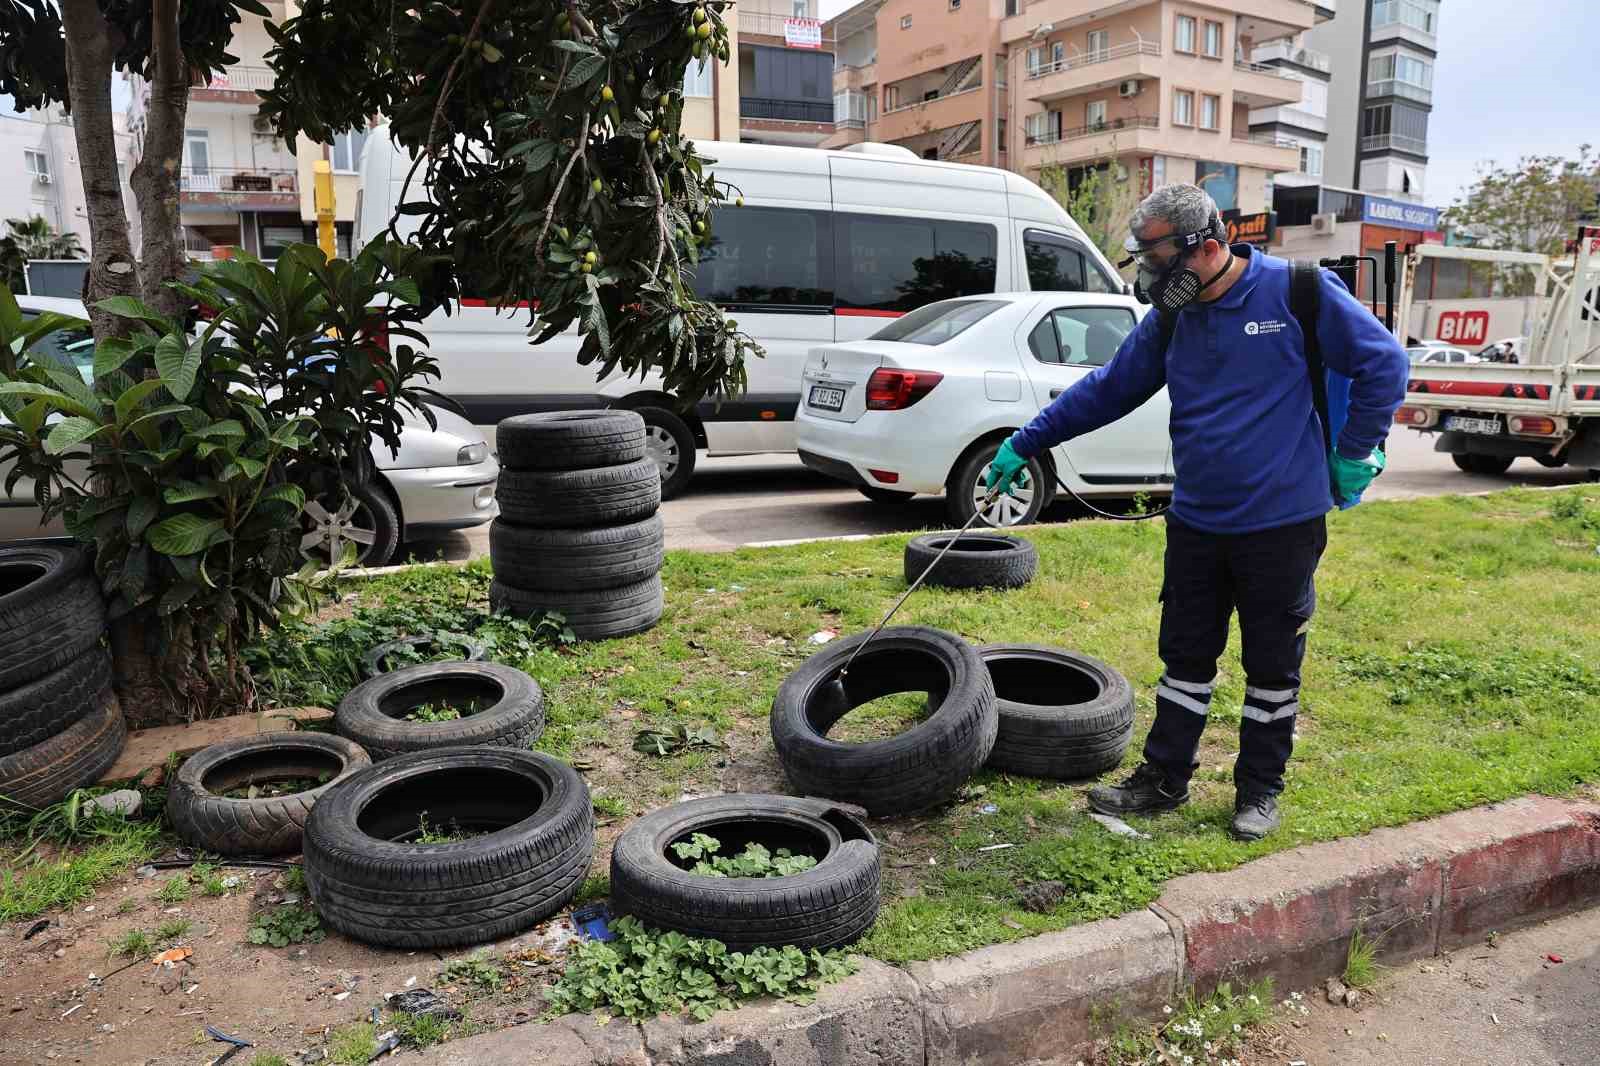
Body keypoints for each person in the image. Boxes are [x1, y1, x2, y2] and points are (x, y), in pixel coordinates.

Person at [986, 184, 1408, 840]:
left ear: (1209, 248)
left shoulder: (1298, 292)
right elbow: (1111, 387)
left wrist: (1355, 452)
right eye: (1144, 264)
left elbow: (1385, 363)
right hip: (1198, 523)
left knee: (1271, 665)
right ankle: (1164, 779)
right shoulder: (1173, 318)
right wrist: (1027, 440)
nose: (1151, 279)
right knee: (1184, 658)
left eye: (1159, 263)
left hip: (1282, 526)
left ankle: (1259, 790)